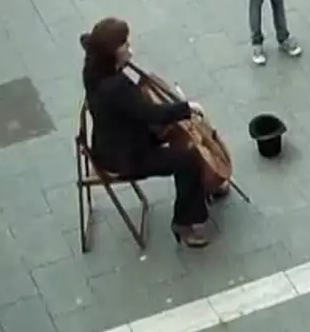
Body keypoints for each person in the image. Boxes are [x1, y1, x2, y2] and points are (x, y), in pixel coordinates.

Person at [80, 17, 215, 248]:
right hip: (127, 157)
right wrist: (186, 108)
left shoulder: (94, 71)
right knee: (188, 159)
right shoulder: (115, 87)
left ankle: (204, 185)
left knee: (176, 136)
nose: (129, 49)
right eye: (125, 45)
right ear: (112, 51)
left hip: (112, 142)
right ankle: (185, 222)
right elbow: (150, 113)